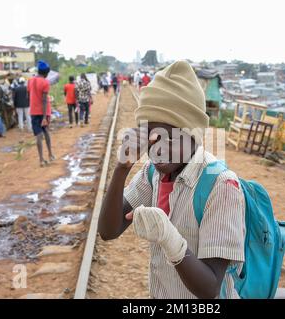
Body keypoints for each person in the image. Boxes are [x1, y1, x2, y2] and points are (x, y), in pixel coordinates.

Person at [98, 61, 245, 299]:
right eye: (150, 136)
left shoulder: (221, 186)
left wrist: (169, 238)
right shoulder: (152, 174)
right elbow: (108, 230)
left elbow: (209, 289)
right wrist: (121, 169)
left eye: (169, 137)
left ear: (193, 136)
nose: (157, 149)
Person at [28, 60, 55, 167]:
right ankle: (50, 154)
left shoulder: (30, 81)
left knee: (38, 135)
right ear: (46, 73)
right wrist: (44, 117)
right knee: (46, 132)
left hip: (33, 112)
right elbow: (44, 100)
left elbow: (28, 95)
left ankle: (41, 159)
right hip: (44, 112)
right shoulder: (45, 82)